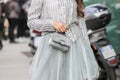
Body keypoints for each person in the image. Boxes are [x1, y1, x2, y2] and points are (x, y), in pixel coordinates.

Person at [27, 0, 100, 80]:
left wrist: (87, 47)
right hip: (52, 45)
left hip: (76, 44)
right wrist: (52, 24)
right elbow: (31, 21)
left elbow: (81, 23)